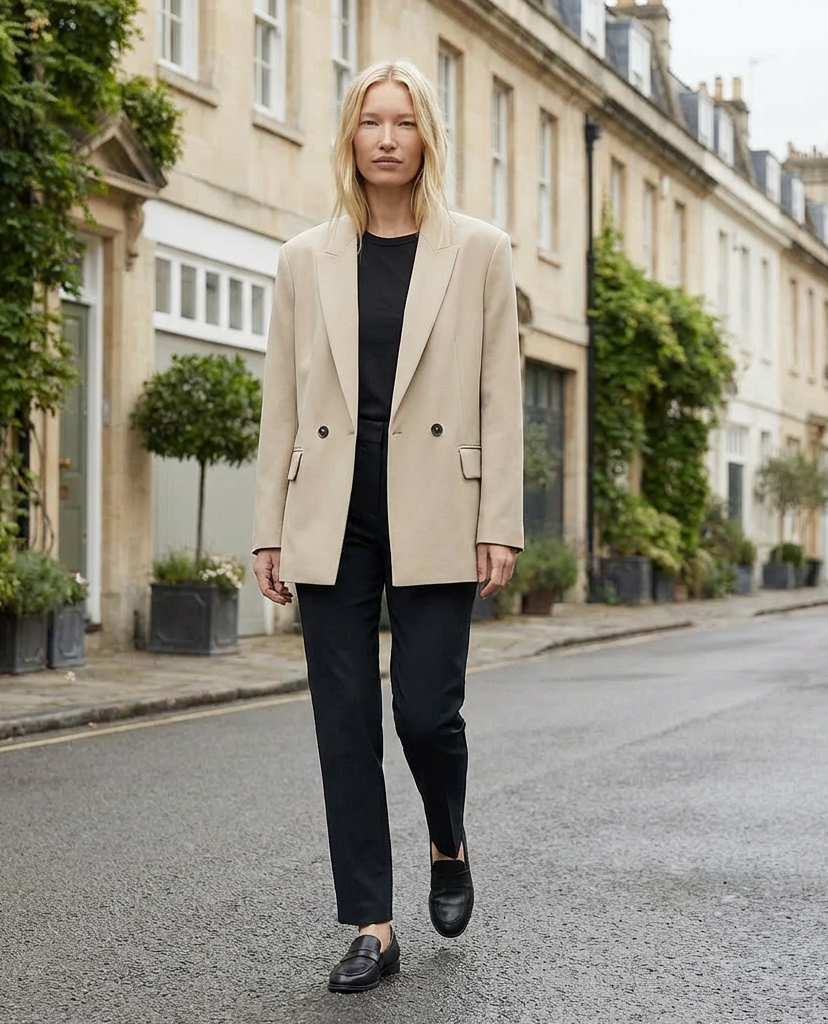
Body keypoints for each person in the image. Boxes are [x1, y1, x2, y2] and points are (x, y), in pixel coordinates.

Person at [251, 58, 523, 994]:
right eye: (372, 121)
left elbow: (500, 394)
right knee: (344, 726)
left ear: (426, 138)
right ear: (350, 137)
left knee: (423, 711)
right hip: (331, 512)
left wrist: (501, 522)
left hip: (438, 506)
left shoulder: (481, 251)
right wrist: (268, 528)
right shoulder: (303, 259)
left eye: (404, 122)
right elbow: (280, 400)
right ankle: (372, 922)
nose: (387, 138)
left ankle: (448, 837)